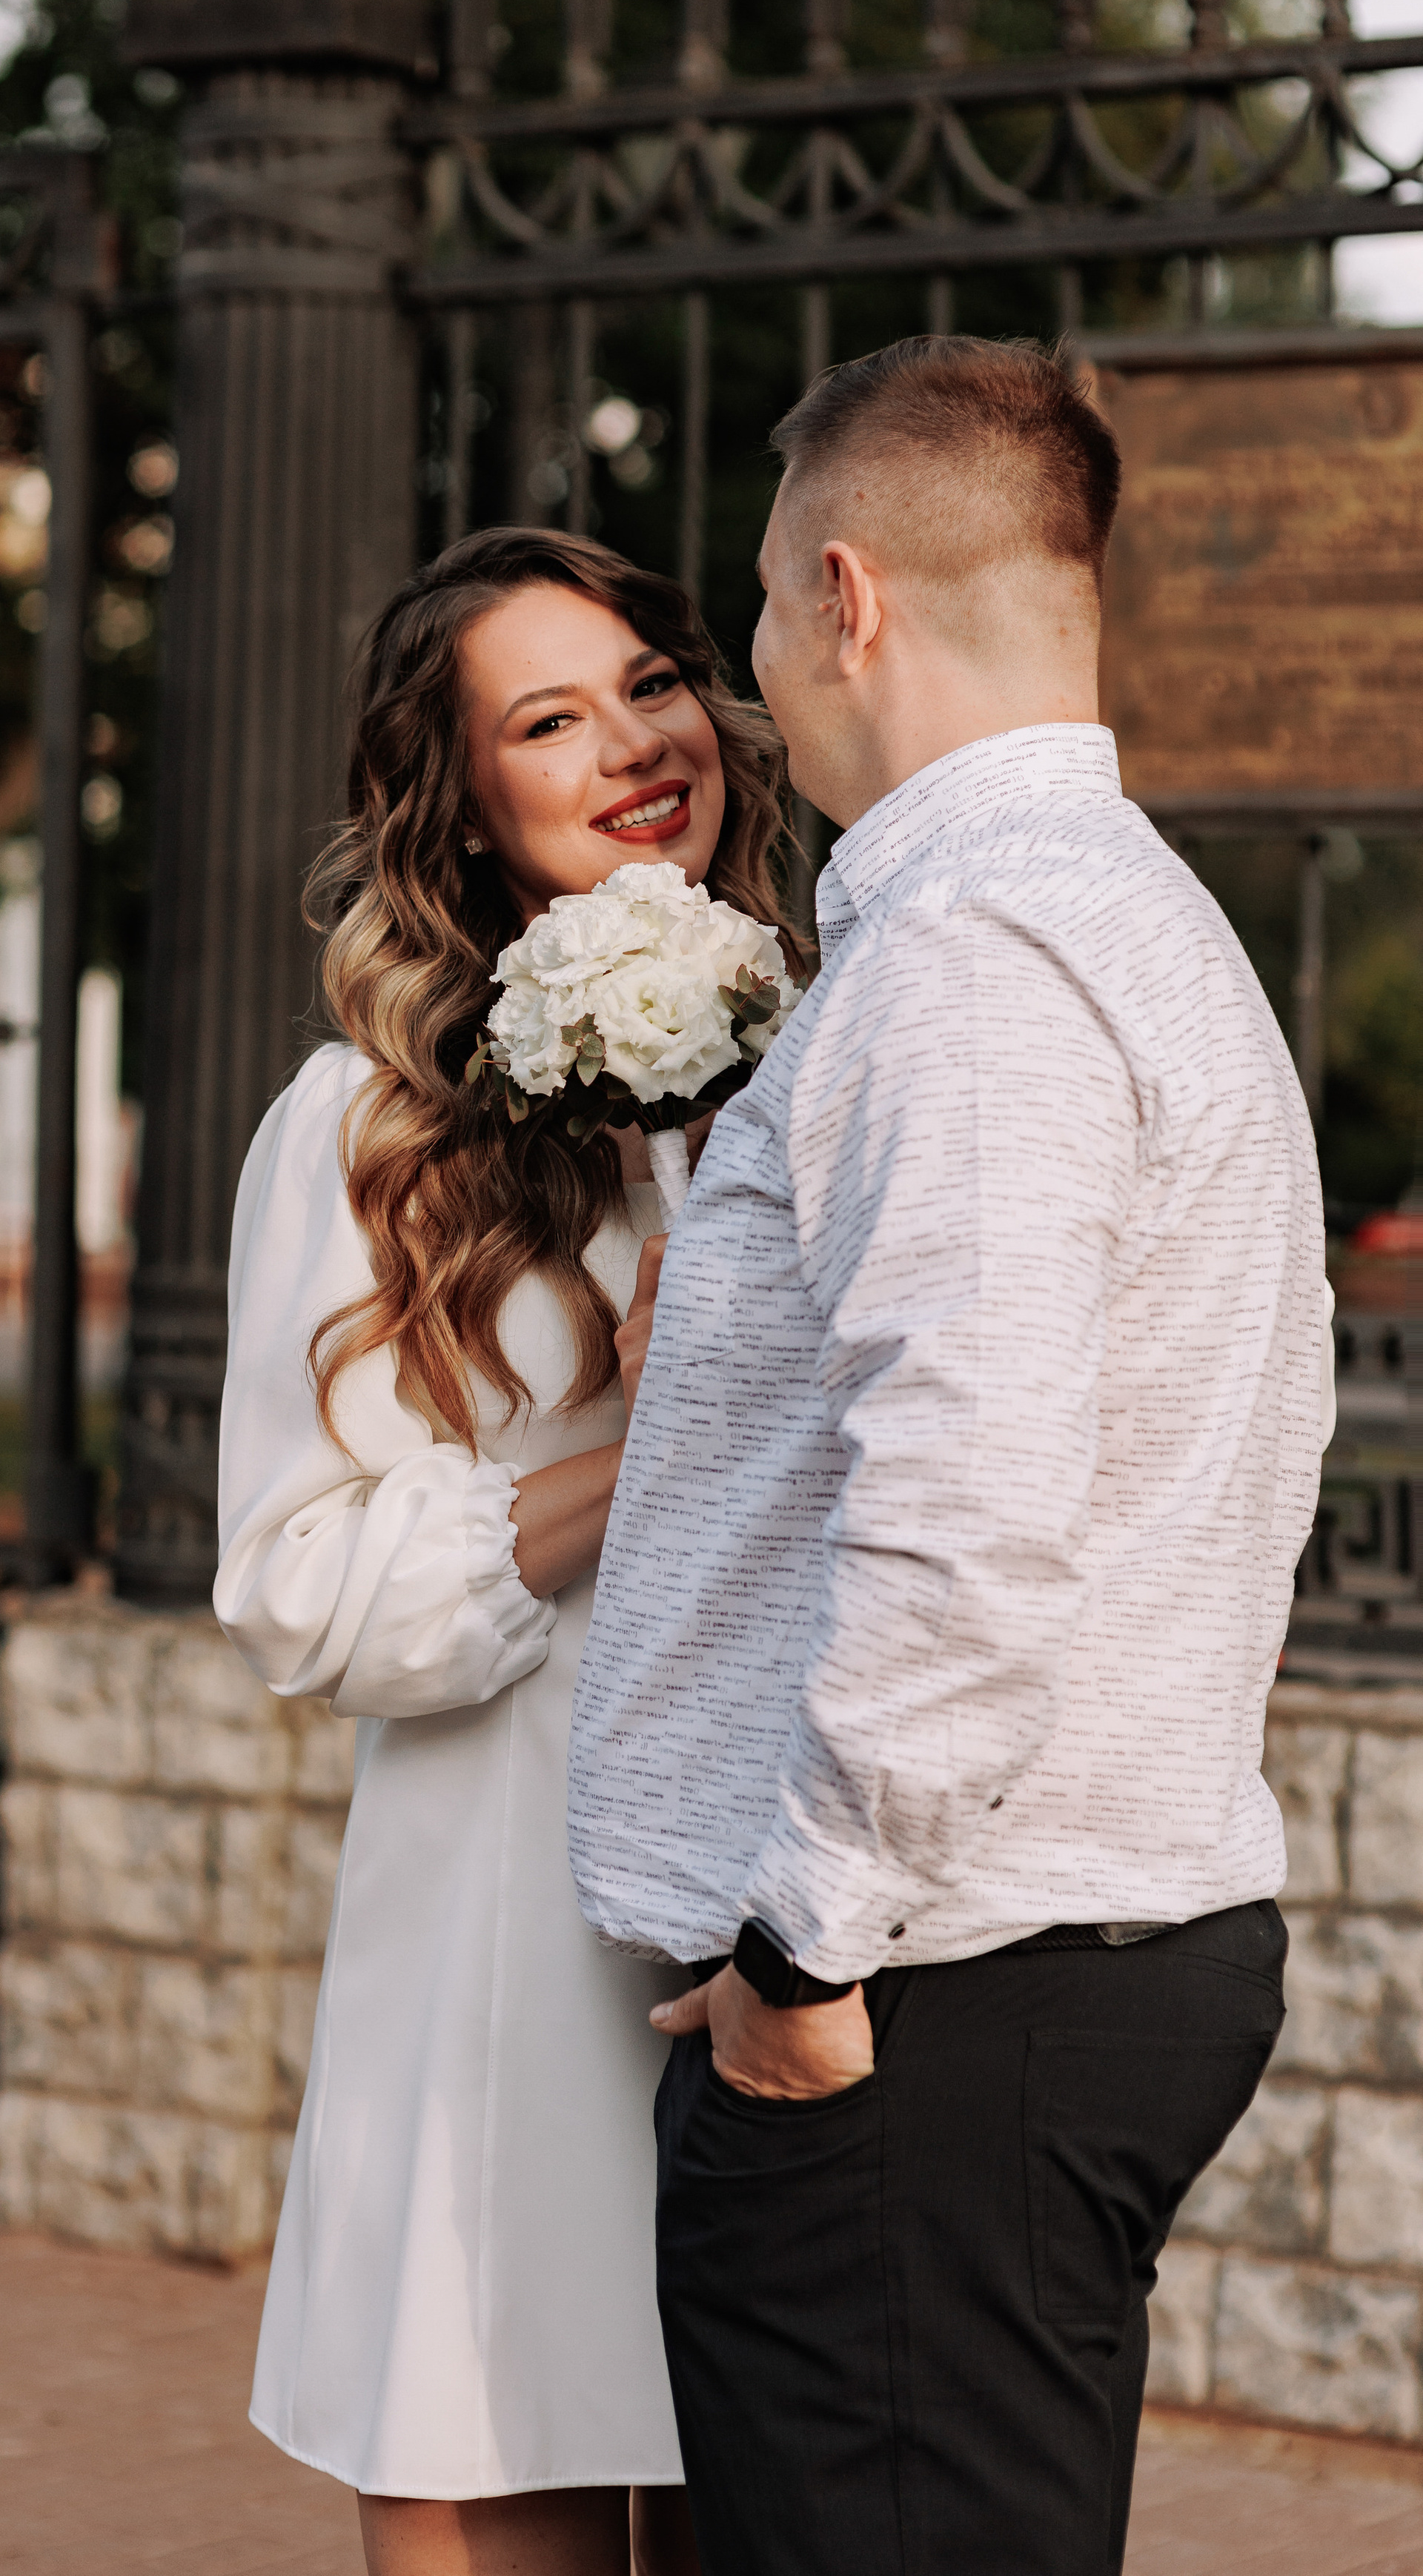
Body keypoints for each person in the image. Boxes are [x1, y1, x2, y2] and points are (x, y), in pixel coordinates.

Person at [568, 336, 1334, 2576]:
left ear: (850, 595)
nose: (759, 693)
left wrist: (808, 1962)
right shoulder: (1114, 921)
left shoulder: (976, 966)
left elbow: (970, 1528)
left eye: (759, 626)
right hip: (1014, 1967)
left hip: (940, 1995)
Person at [213, 526, 792, 2576]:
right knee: (505, 2475)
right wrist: (643, 1456)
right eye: (552, 718)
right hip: (509, 1935)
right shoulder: (364, 1131)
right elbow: (301, 1586)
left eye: (652, 680)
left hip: (793, 1929)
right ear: (463, 802)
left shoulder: (837, 1057)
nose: (636, 743)